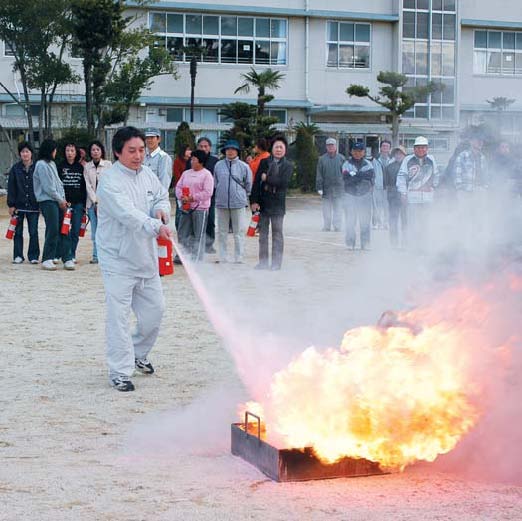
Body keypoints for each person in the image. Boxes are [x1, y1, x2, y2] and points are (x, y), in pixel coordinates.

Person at [96, 126, 172, 392]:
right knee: (118, 316)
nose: (138, 155)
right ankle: (120, 370)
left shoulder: (147, 174)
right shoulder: (110, 181)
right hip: (117, 260)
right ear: (118, 152)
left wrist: (162, 211)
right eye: (132, 151)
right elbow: (128, 214)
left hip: (146, 258)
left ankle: (138, 353)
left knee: (155, 311)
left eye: (141, 150)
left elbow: (161, 196)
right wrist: (154, 225)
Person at [250, 135, 294, 270]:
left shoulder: (288, 165)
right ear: (272, 148)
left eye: (281, 147)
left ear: (285, 149)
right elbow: (257, 181)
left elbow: (283, 183)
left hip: (278, 205)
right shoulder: (264, 162)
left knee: (277, 235)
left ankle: (276, 263)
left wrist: (267, 178)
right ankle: (263, 262)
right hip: (263, 203)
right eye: (276, 147)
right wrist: (253, 200)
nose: (279, 150)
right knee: (262, 235)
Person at [33, 139, 72, 271]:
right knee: (53, 228)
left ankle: (67, 258)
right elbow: (48, 187)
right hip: (48, 201)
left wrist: (63, 199)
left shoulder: (52, 164)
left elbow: (59, 183)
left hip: (58, 200)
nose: (56, 152)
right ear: (50, 150)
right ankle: (47, 258)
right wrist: (60, 200)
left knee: (65, 229)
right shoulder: (41, 165)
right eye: (54, 150)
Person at [396, 136, 439, 249]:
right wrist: (403, 193)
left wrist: (434, 187)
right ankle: (413, 247)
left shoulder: (431, 159)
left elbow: (436, 175)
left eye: (424, 147)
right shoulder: (408, 160)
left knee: (426, 223)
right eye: (419, 147)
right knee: (412, 223)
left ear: (427, 148)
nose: (421, 150)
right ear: (414, 149)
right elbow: (401, 177)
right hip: (413, 199)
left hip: (428, 198)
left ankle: (424, 246)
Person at [214, 139, 252, 264]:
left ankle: (239, 257)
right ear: (224, 151)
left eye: (233, 149)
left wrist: (242, 196)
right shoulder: (218, 165)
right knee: (222, 231)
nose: (230, 151)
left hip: (238, 203)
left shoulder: (244, 166)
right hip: (222, 203)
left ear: (237, 151)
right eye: (228, 149)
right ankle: (223, 256)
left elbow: (248, 184)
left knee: (239, 231)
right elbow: (215, 183)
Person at [175, 149, 214, 261]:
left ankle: (197, 256)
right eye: (191, 159)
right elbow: (178, 187)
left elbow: (208, 192)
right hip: (186, 207)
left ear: (201, 161)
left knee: (199, 233)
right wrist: (181, 197)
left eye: (194, 159)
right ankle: (182, 254)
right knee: (183, 231)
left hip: (200, 208)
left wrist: (192, 197)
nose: (191, 161)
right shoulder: (186, 173)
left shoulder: (207, 175)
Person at [7, 141, 40, 264]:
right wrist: (11, 204)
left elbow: (41, 186)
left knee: (33, 231)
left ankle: (33, 256)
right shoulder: (15, 169)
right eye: (22, 152)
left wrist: (41, 203)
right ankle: (18, 255)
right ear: (19, 154)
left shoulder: (37, 168)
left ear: (31, 153)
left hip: (34, 205)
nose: (25, 154)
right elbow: (11, 187)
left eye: (27, 151)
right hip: (18, 206)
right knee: (18, 231)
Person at [341, 142, 375, 250]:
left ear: (364, 152)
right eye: (355, 151)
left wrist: (355, 175)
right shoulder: (346, 164)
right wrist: (360, 176)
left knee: (365, 221)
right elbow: (346, 179)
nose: (357, 153)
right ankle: (350, 243)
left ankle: (365, 243)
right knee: (350, 221)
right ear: (351, 152)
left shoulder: (368, 164)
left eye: (360, 151)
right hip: (350, 196)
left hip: (365, 196)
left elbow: (370, 176)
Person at [57, 142, 86, 264]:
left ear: (76, 153)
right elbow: (58, 186)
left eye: (72, 151)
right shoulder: (60, 167)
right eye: (68, 150)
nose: (70, 153)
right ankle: (63, 254)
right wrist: (61, 201)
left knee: (75, 230)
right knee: (64, 230)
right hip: (64, 204)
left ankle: (72, 253)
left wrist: (84, 204)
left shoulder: (80, 167)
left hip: (78, 203)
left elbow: (83, 187)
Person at [84, 140, 112, 264]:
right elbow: (88, 185)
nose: (95, 152)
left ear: (101, 151)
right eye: (93, 150)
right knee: (95, 230)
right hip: (91, 204)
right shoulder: (87, 166)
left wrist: (101, 201)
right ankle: (96, 255)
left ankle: (107, 255)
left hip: (106, 204)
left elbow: (110, 184)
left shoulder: (108, 165)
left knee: (106, 230)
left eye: (97, 149)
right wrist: (95, 201)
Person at [194, 137, 219, 254]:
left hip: (210, 196)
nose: (203, 148)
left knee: (210, 220)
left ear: (210, 147)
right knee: (195, 221)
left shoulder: (215, 161)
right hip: (194, 197)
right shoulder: (193, 159)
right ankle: (195, 244)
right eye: (201, 146)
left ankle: (209, 245)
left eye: (206, 146)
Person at [316, 137, 344, 232]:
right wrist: (319, 187)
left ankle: (337, 226)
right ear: (326, 147)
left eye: (332, 145)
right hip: (326, 188)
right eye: (329, 145)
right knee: (326, 210)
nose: (330, 147)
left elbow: (345, 173)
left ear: (336, 146)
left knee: (338, 209)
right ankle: (327, 226)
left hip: (339, 189)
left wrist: (346, 186)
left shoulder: (341, 158)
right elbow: (319, 174)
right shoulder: (322, 159)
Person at [384, 146, 407, 248]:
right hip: (393, 197)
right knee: (393, 221)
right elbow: (386, 184)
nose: (398, 155)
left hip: (406, 197)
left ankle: (405, 242)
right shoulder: (389, 167)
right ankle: (393, 243)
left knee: (405, 221)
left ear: (404, 154)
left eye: (400, 153)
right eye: (396, 153)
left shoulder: (409, 166)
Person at [372, 140, 392, 230]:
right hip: (378, 187)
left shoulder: (392, 160)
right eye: (383, 146)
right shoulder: (375, 160)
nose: (385, 148)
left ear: (389, 149)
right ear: (380, 148)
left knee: (387, 206)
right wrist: (372, 184)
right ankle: (376, 223)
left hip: (388, 187)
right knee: (377, 206)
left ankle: (386, 222)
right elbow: (372, 173)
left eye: (387, 146)